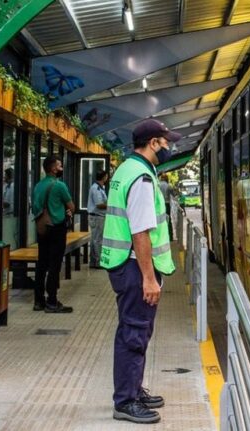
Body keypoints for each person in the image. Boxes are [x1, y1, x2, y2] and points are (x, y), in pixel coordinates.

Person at [101, 118, 180, 424]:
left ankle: (133, 388)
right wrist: (149, 278)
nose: (168, 147)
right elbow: (141, 232)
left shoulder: (127, 168)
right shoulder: (143, 179)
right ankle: (125, 401)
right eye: (165, 142)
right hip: (134, 266)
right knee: (134, 332)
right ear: (152, 144)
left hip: (126, 264)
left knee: (137, 330)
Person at [32, 156, 75, 313]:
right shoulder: (59, 186)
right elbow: (71, 206)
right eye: (59, 165)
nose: (61, 167)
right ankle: (52, 301)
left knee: (41, 264)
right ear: (53, 168)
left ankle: (38, 301)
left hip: (42, 229)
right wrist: (67, 210)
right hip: (57, 228)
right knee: (54, 265)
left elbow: (35, 207)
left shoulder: (38, 186)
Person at [87, 170, 109, 268]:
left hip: (98, 216)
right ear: (104, 177)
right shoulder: (96, 189)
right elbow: (99, 204)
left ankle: (93, 261)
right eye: (107, 176)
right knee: (97, 240)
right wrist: (110, 206)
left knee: (94, 239)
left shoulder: (101, 188)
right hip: (97, 217)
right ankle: (98, 262)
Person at [158, 173, 174, 240]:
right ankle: (170, 237)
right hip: (166, 204)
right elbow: (173, 194)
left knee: (159, 220)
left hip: (159, 205)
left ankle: (161, 236)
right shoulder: (168, 186)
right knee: (168, 220)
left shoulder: (157, 185)